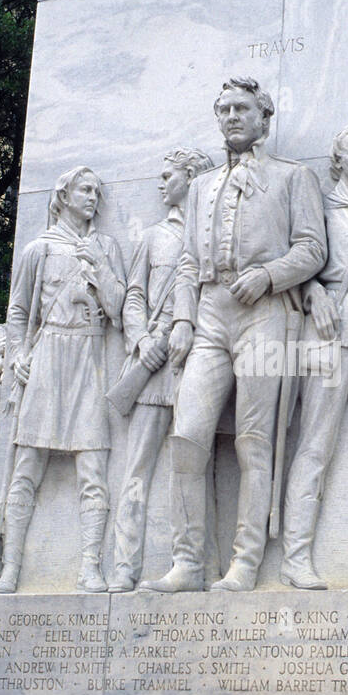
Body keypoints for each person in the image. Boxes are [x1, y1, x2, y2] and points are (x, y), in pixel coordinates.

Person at [140, 77, 326, 593]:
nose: (231, 117)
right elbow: (187, 262)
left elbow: (312, 249)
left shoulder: (294, 177)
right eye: (223, 109)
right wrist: (182, 318)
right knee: (188, 435)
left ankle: (244, 562)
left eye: (241, 108)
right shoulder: (201, 187)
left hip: (265, 313)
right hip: (210, 315)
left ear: (264, 116)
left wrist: (269, 274)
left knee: (254, 440)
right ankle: (187, 561)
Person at [0, 166, 125, 594]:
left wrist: (100, 267)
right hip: (48, 355)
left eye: (97, 192)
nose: (93, 198)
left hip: (88, 357)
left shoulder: (104, 246)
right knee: (26, 468)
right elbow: (17, 312)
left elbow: (119, 307)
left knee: (93, 468)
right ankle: (10, 569)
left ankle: (90, 566)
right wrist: (19, 356)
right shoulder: (39, 249)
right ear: (64, 194)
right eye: (85, 190)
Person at [278, 125, 348, 589]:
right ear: (337, 160)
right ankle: (295, 555)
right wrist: (312, 289)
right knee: (316, 444)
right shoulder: (320, 206)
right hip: (330, 327)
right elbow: (295, 258)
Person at [106, 147, 213, 592]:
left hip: (194, 365)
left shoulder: (211, 236)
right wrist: (142, 341)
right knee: (136, 470)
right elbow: (134, 297)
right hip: (151, 371)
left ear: (191, 178)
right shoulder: (153, 237)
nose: (160, 182)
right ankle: (123, 567)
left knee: (192, 469)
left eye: (168, 175)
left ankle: (190, 565)